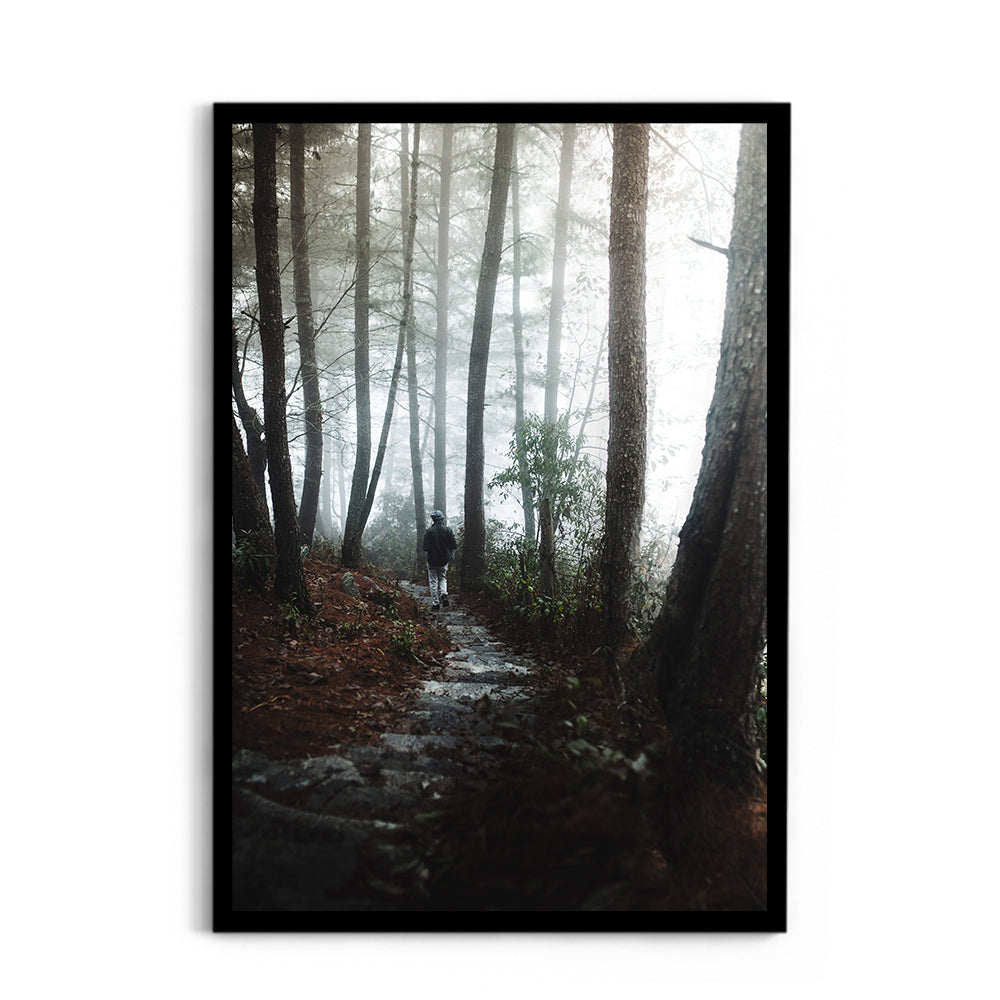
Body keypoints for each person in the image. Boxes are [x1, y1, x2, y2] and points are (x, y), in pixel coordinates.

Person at [422, 510, 457, 610]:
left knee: (433, 582)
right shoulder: (448, 530)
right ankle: (444, 594)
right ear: (442, 519)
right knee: (442, 578)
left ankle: (436, 603)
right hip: (444, 561)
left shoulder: (429, 531)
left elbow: (425, 548)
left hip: (432, 561)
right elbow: (454, 545)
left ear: (433, 520)